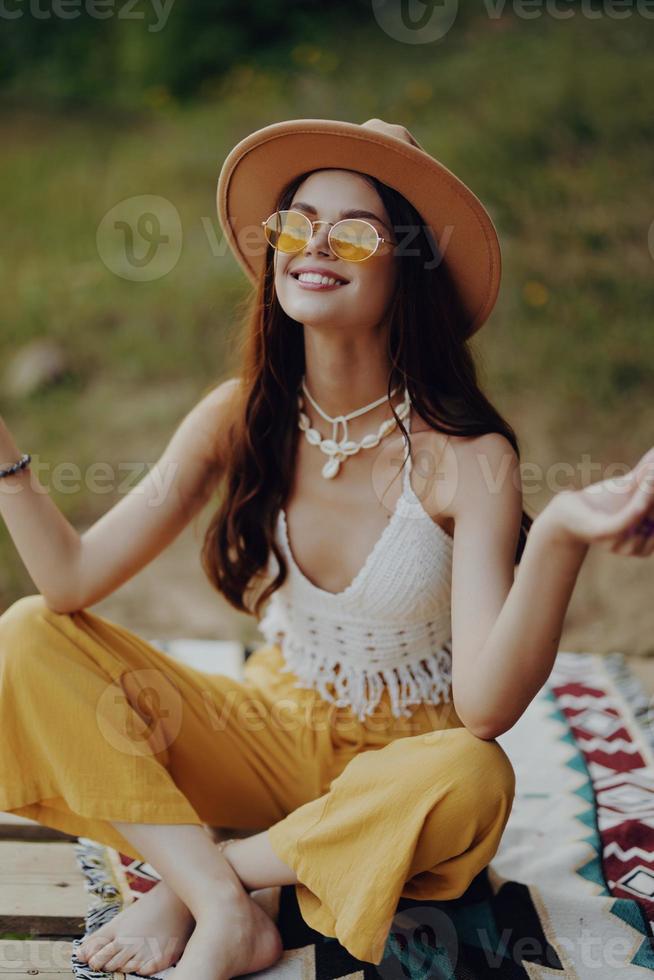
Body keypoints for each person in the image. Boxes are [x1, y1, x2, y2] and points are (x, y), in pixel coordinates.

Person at [1, 117, 653, 980]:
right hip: (264, 730)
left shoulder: (469, 459)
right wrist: (7, 464)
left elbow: (487, 709)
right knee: (28, 633)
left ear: (406, 265)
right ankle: (235, 907)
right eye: (296, 223)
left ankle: (207, 882)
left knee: (477, 775)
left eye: (353, 230)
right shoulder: (238, 415)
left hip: (401, 773)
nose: (314, 246)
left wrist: (565, 532)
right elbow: (71, 577)